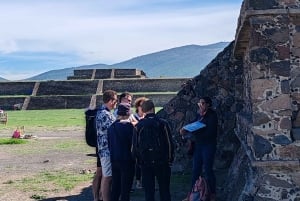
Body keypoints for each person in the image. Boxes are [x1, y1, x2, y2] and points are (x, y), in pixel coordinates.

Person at [132, 99, 174, 201]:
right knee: (164, 191)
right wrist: (170, 159)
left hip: (145, 162)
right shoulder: (163, 124)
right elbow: (169, 144)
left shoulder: (138, 126)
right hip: (162, 161)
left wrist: (139, 162)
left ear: (143, 110)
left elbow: (134, 147)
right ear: (153, 109)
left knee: (149, 192)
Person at [180, 96, 218, 201]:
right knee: (195, 170)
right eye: (199, 103)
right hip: (199, 145)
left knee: (208, 169)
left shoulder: (212, 116)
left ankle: (212, 194)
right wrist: (185, 130)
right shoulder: (199, 115)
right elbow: (193, 125)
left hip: (208, 145)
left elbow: (210, 132)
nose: (200, 105)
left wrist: (195, 132)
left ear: (208, 104)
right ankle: (191, 195)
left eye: (202, 103)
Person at [108, 103, 135, 201]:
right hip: (127, 160)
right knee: (125, 189)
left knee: (115, 187)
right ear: (128, 114)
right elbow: (133, 144)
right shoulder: (130, 127)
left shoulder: (111, 127)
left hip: (114, 159)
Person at [96, 90, 118, 201]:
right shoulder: (105, 114)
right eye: (115, 100)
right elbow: (115, 129)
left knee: (107, 176)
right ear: (110, 101)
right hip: (106, 150)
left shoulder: (103, 112)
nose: (116, 103)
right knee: (107, 177)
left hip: (105, 149)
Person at [131, 97, 149, 189]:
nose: (143, 107)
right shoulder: (133, 117)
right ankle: (138, 181)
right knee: (137, 163)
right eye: (141, 105)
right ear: (137, 107)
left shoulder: (147, 117)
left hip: (146, 144)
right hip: (135, 143)